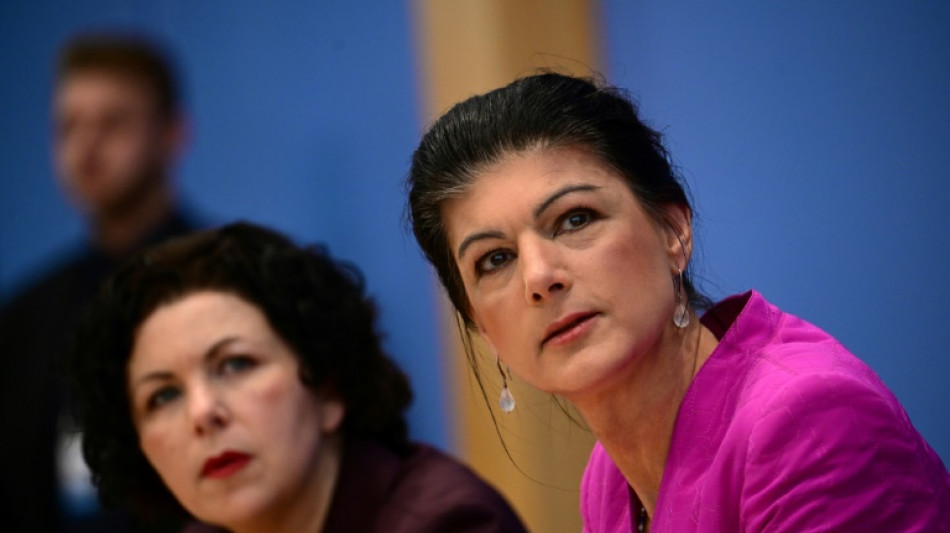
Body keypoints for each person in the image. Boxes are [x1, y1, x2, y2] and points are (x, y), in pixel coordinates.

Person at [405, 72, 950, 532]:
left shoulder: (807, 420)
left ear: (673, 231)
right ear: (479, 324)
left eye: (575, 219)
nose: (539, 277)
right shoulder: (606, 479)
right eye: (495, 259)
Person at [66, 222, 528, 533]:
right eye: (163, 395)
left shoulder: (449, 522)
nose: (203, 413)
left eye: (235, 364)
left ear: (328, 388)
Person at [0, 32, 197, 532]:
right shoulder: (26, 315)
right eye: (68, 126)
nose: (86, 147)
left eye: (112, 123)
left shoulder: (229, 283)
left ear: (172, 133)